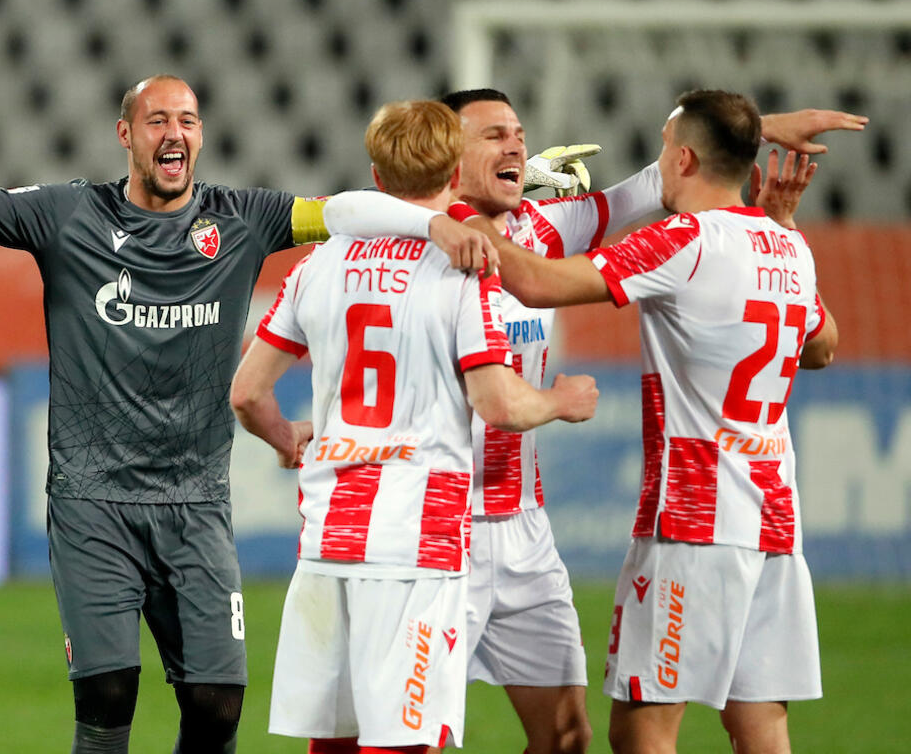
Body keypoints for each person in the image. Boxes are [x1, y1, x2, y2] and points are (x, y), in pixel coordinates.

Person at [0, 75, 501, 754]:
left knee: (216, 705)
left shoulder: (243, 219)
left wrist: (452, 214)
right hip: (92, 500)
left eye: (189, 120)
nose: (176, 133)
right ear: (127, 135)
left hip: (196, 503)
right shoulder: (69, 216)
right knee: (107, 698)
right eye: (158, 120)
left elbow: (347, 210)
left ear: (201, 136)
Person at [323, 91, 865, 754]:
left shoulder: (547, 231)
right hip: (432, 523)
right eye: (493, 136)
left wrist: (755, 131)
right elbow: (346, 208)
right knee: (402, 737)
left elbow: (635, 198)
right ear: (442, 154)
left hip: (553, 526)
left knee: (573, 736)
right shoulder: (392, 240)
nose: (516, 145)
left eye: (519, 133)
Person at [460, 89, 837, 754]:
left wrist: (467, 222)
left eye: (665, 148)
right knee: (761, 725)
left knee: (643, 730)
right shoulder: (788, 243)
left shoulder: (680, 240)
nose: (658, 163)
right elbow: (823, 346)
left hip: (692, 518)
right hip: (776, 519)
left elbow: (540, 283)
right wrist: (779, 212)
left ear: (684, 158)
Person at [229, 99, 599, 754]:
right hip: (416, 539)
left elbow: (247, 394)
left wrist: (288, 438)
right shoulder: (465, 268)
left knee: (336, 740)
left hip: (328, 540)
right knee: (403, 741)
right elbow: (497, 404)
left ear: (377, 175)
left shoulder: (318, 265)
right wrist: (559, 400)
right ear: (456, 173)